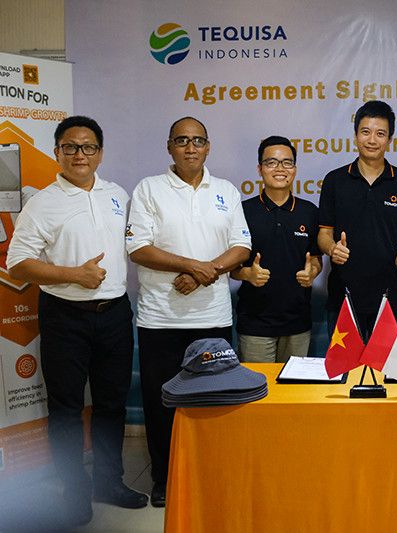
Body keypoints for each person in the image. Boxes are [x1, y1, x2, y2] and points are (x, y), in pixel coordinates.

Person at [7, 116, 148, 526]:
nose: (79, 154)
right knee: (67, 410)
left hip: (115, 314)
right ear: (57, 153)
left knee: (111, 405)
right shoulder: (42, 203)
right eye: (70, 147)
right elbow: (18, 263)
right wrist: (74, 274)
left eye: (88, 147)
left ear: (100, 153)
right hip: (65, 317)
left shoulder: (117, 194)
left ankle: (109, 482)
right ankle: (74, 493)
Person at [126, 117, 251, 507]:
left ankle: (209, 477)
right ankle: (164, 479)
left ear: (208, 147)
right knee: (162, 403)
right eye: (182, 140)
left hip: (213, 319)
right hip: (160, 319)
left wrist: (202, 273)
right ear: (169, 146)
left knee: (212, 404)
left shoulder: (226, 190)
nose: (190, 147)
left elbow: (242, 247)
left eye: (198, 140)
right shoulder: (149, 189)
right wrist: (193, 266)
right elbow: (138, 248)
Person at [317, 100, 397, 338]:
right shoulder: (335, 181)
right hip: (343, 298)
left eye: (380, 134)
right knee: (344, 364)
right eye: (365, 132)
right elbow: (324, 234)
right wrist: (332, 248)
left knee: (387, 363)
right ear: (355, 135)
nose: (372, 140)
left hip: (390, 298)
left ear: (390, 139)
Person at [232, 135, 321, 361]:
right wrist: (248, 274)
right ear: (260, 168)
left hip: (298, 323)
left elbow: (316, 259)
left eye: (287, 162)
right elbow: (231, 268)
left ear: (295, 169)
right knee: (258, 384)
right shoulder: (243, 211)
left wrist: (312, 272)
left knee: (293, 384)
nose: (280, 168)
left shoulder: (309, 211)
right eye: (271, 162)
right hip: (255, 323)